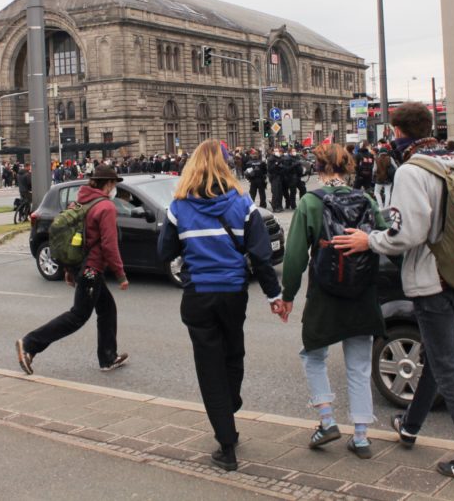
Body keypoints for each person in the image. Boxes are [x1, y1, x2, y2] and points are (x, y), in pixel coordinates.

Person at [333, 101, 454, 482]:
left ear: (397, 130)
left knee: (448, 366)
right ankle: (410, 424)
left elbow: (407, 234)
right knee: (440, 357)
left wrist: (367, 240)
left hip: (432, 280)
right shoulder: (453, 161)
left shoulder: (412, 171)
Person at [157, 139, 284, 472]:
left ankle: (226, 443)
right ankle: (231, 405)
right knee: (233, 353)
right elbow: (260, 255)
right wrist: (274, 296)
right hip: (233, 292)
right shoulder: (243, 204)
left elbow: (164, 253)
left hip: (198, 294)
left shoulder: (179, 207)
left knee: (209, 367)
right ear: (227, 166)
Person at [277, 142, 386, 460]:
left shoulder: (311, 202)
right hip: (362, 291)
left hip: (325, 291)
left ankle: (326, 420)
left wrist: (287, 296)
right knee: (360, 365)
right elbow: (385, 234)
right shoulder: (366, 198)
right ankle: (362, 437)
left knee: (313, 354)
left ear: (319, 167)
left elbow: (295, 255)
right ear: (349, 168)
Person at [16, 164, 129, 375]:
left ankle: (108, 357)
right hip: (91, 269)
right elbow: (109, 245)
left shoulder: (80, 201)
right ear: (109, 184)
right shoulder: (105, 207)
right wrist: (121, 274)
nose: (115, 189)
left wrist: (69, 269)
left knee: (107, 308)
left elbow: (71, 238)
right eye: (114, 184)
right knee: (77, 316)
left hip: (81, 266)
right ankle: (30, 344)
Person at [267, 146, 286, 211]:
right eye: (275, 151)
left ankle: (279, 206)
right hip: (274, 177)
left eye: (277, 151)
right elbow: (270, 169)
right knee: (275, 192)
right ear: (273, 152)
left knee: (280, 192)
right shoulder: (271, 159)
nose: (277, 152)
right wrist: (276, 164)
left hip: (280, 176)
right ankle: (275, 207)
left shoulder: (280, 158)